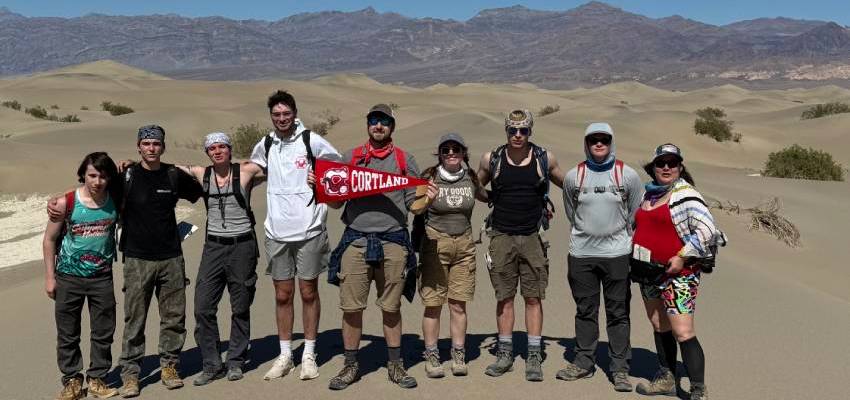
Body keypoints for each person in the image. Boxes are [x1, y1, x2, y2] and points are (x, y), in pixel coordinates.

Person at [51, 125, 204, 397]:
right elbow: (94, 187)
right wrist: (58, 200)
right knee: (134, 318)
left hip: (171, 257)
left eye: (156, 144)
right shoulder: (127, 176)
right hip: (136, 258)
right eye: (146, 144)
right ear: (138, 146)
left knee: (173, 317)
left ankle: (169, 366)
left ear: (163, 147)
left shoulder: (172, 175)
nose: (151, 148)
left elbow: (203, 189)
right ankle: (130, 374)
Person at [326, 103, 434, 390]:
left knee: (391, 307)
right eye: (374, 121)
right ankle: (350, 365)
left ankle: (396, 365)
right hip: (356, 241)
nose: (378, 126)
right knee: (351, 308)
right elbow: (336, 201)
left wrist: (428, 198)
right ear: (367, 125)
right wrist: (322, 187)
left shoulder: (404, 160)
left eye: (384, 122)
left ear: (391, 127)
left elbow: (414, 205)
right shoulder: (350, 158)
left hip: (394, 243)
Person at [251, 90, 341, 381]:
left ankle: (309, 354)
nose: (281, 119)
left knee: (308, 291)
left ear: (294, 113)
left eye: (285, 114)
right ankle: (285, 354)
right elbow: (252, 170)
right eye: (276, 115)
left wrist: (321, 178)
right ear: (271, 117)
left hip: (310, 228)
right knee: (282, 294)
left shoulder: (310, 140)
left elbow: (337, 167)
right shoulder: (266, 143)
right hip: (276, 230)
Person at [166, 132, 266, 386]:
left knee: (240, 306)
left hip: (242, 246)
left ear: (230, 149)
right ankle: (212, 363)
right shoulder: (202, 173)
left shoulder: (247, 171)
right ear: (207, 152)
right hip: (213, 247)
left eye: (222, 147)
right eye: (212, 148)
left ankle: (236, 361)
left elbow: (280, 167)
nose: (218, 151)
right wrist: (132, 165)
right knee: (202, 307)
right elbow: (169, 167)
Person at [477, 109, 565, 381]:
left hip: (532, 238)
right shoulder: (491, 159)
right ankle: (504, 354)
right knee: (504, 297)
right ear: (506, 131)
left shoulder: (543, 158)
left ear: (530, 131)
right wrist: (492, 197)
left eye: (523, 130)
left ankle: (534, 355)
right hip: (501, 236)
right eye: (513, 130)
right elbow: (475, 189)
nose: (517, 135)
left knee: (533, 296)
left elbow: (569, 184)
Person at [631, 144, 724, 400]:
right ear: (653, 168)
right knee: (659, 325)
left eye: (672, 162)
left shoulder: (686, 195)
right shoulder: (649, 194)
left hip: (678, 275)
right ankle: (666, 379)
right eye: (661, 163)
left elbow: (707, 231)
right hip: (647, 271)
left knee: (683, 331)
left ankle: (697, 390)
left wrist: (682, 257)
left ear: (680, 167)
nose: (667, 167)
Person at [558, 122, 642, 392]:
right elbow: (571, 211)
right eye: (593, 139)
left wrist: (618, 236)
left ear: (611, 141)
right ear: (586, 143)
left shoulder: (626, 175)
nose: (598, 143)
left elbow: (635, 212)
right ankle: (583, 362)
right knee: (585, 311)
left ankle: (619, 368)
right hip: (582, 254)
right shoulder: (574, 176)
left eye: (603, 139)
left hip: (617, 254)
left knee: (618, 312)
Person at [43, 152, 122, 400]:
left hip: (102, 278)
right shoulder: (66, 202)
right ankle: (72, 381)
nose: (97, 181)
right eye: (92, 175)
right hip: (68, 277)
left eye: (103, 176)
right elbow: (49, 240)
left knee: (103, 331)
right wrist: (50, 277)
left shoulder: (115, 200)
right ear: (83, 175)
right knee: (68, 333)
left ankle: (97, 379)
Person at [415, 133, 487, 378]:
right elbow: (414, 208)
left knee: (458, 303)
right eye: (445, 150)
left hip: (465, 246)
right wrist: (427, 198)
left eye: (455, 149)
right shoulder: (430, 177)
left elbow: (489, 196)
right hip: (436, 243)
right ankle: (432, 354)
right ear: (440, 154)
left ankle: (458, 354)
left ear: (464, 153)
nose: (451, 153)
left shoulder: (471, 178)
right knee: (433, 304)